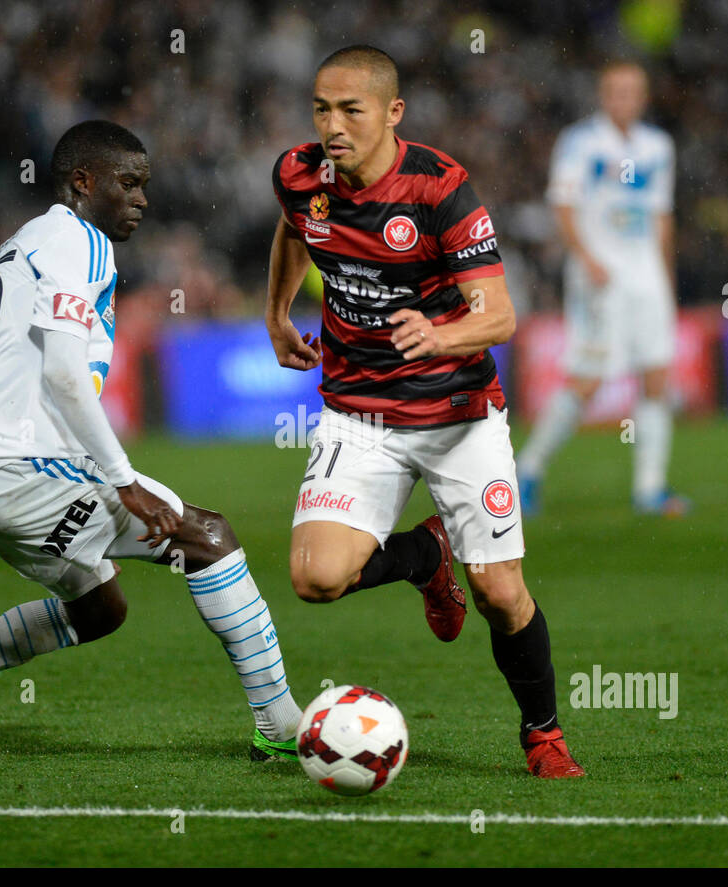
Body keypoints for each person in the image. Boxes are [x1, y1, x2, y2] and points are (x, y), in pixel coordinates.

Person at [0, 121, 302, 762]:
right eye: (129, 183)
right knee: (207, 538)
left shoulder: (27, 241)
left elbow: (52, 370)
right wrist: (122, 480)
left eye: (146, 185)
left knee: (99, 610)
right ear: (83, 182)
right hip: (13, 465)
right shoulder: (79, 240)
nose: (142, 198)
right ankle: (284, 729)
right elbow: (63, 374)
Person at [264, 46, 583, 778]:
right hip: (358, 415)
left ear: (392, 112)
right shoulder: (299, 176)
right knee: (315, 578)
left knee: (501, 592)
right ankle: (425, 556)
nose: (332, 126)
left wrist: (439, 334)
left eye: (351, 110)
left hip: (458, 415)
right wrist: (278, 313)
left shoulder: (441, 189)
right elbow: (292, 228)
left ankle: (542, 732)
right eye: (321, 108)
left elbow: (499, 315)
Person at [517, 61, 689, 516]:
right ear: (602, 94)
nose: (623, 98)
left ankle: (649, 489)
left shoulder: (657, 145)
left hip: (645, 275)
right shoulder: (581, 142)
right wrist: (586, 257)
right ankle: (527, 469)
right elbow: (563, 203)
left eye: (632, 90)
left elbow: (661, 214)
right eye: (615, 90)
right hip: (598, 275)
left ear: (644, 96)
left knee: (656, 374)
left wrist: (664, 276)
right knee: (588, 380)